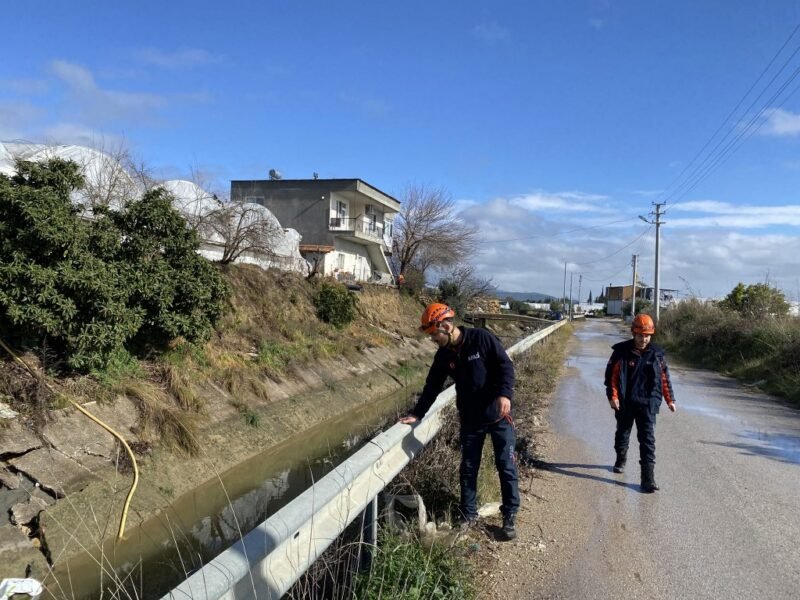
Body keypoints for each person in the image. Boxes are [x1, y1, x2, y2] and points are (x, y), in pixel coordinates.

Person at [399, 303, 520, 540]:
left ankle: (509, 516)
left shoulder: (481, 338)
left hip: (498, 415)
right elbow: (432, 386)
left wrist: (505, 393)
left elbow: (505, 365)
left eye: (434, 334)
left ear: (445, 325)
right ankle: (468, 516)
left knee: (506, 465)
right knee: (467, 469)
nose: (433, 339)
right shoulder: (444, 356)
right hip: (471, 419)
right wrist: (418, 413)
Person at [604, 313, 677, 493]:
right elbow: (611, 378)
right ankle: (621, 458)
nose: (643, 339)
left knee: (647, 440)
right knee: (623, 433)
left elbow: (664, 379)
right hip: (625, 402)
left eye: (646, 335)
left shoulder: (657, 355)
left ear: (651, 335)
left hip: (648, 403)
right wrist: (613, 397)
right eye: (639, 335)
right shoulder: (621, 352)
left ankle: (648, 479)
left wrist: (670, 400)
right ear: (633, 333)